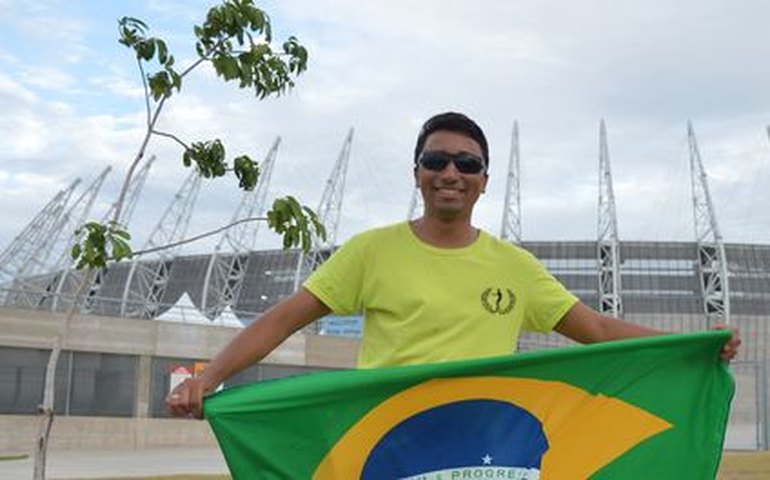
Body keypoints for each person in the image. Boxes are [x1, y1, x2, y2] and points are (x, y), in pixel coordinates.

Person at [167, 112, 741, 419]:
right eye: (436, 159)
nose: (450, 171)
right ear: (416, 172)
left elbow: (593, 330)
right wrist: (206, 377)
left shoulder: (514, 266)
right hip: (384, 436)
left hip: (484, 445)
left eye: (466, 162)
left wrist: (689, 345)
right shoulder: (371, 251)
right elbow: (283, 318)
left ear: (484, 181)